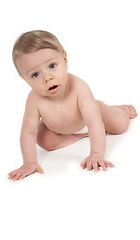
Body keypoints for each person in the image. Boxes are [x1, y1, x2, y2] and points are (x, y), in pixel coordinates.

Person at [8, 30, 138, 181]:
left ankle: (108, 108)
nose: (47, 77)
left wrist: (96, 154)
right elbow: (27, 133)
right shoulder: (34, 99)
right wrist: (29, 162)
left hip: (91, 116)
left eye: (52, 65)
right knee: (42, 140)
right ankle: (83, 134)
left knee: (120, 125)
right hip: (59, 128)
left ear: (65, 59)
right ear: (24, 79)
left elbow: (93, 122)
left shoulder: (79, 87)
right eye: (35, 75)